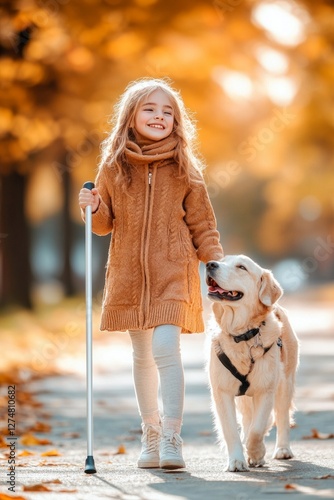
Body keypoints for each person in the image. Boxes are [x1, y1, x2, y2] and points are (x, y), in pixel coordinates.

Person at [78, 77, 224, 470]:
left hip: (173, 270)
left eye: (168, 112)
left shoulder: (184, 168)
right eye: (150, 109)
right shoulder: (113, 166)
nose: (160, 116)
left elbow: (202, 223)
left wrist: (217, 268)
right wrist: (90, 207)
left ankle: (173, 437)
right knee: (142, 355)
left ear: (177, 122)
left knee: (164, 348)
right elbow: (104, 224)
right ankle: (151, 433)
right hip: (129, 273)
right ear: (131, 117)